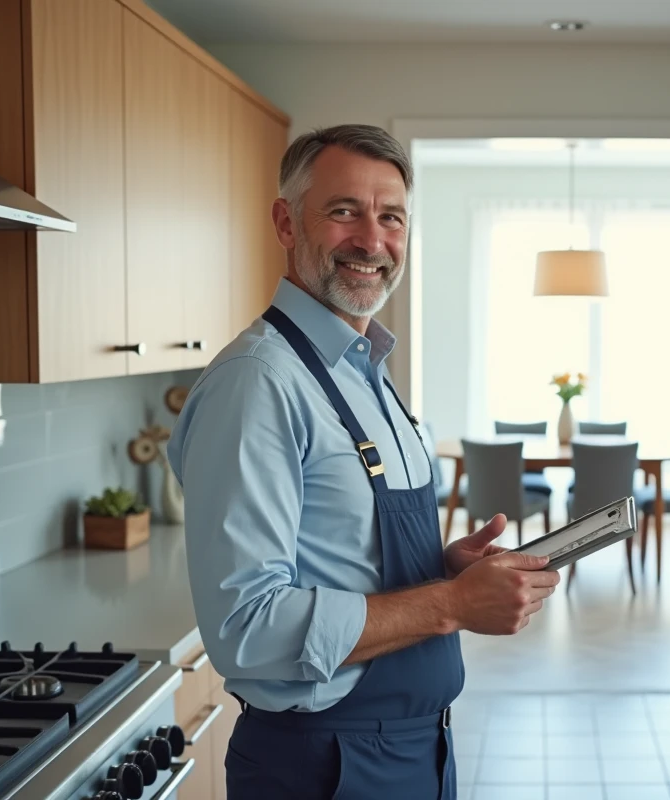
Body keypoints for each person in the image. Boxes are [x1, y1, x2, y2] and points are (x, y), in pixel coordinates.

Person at [167, 124, 561, 800]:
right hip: (324, 765)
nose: (372, 241)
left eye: (391, 217)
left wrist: (441, 569)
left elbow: (341, 552)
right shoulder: (257, 383)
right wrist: (451, 603)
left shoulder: (365, 368)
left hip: (417, 746)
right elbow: (245, 629)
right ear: (286, 223)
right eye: (344, 210)